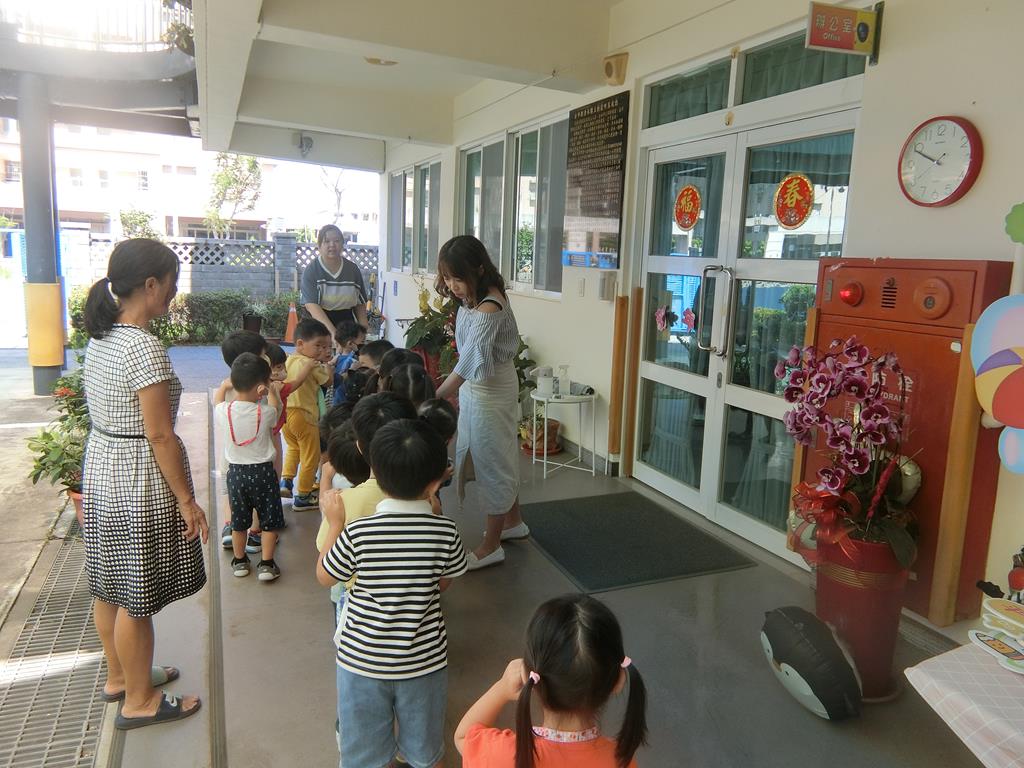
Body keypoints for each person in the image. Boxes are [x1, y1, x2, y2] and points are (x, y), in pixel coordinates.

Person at [80, 238, 207, 730]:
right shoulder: (143, 346)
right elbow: (159, 434)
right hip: (137, 476)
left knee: (110, 586)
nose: (173, 293)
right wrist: (187, 501)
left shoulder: (104, 334)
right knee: (138, 596)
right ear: (151, 284)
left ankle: (121, 677)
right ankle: (139, 701)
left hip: (103, 468)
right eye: (172, 284)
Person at [317, 418, 468, 768]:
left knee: (364, 754)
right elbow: (444, 582)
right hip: (424, 662)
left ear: (375, 473)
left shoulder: (358, 532)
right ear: (436, 482)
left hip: (361, 662)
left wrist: (336, 524)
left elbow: (325, 577)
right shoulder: (445, 531)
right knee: (426, 751)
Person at [455, 594, 648, 768]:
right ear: (618, 681)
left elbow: (463, 737)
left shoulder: (500, 754)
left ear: (528, 675)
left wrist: (502, 689)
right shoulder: (620, 761)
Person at [434, 235, 528, 570]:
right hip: (476, 388)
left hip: (491, 389)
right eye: (447, 278)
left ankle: (492, 546)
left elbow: (469, 361)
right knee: (494, 454)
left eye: (457, 278)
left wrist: (435, 396)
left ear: (479, 269)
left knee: (493, 460)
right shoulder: (473, 297)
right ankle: (513, 522)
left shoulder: (490, 306)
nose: (452, 286)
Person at [213, 353, 286, 582]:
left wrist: (224, 387)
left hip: (236, 474)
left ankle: (240, 561)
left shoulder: (224, 411)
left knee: (239, 522)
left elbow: (217, 402)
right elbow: (276, 409)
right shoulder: (265, 413)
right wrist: (271, 391)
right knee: (269, 521)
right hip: (263, 473)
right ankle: (267, 564)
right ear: (260, 388)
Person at [281, 319, 333, 509]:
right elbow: (328, 382)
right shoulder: (312, 364)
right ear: (300, 344)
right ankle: (303, 496)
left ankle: (286, 481)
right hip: (305, 415)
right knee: (311, 456)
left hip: (285, 414)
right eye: (318, 345)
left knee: (293, 448)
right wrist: (329, 367)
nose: (323, 350)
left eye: (327, 347)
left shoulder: (288, 360)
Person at [300, 224, 368, 338]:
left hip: (346, 324)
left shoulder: (352, 269)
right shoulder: (311, 270)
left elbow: (360, 304)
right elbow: (312, 305)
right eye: (327, 241)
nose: (332, 245)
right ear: (319, 246)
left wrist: (363, 331)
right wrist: (334, 334)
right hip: (316, 326)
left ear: (342, 244)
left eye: (336, 241)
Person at [332, 320, 368, 405]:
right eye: (362, 342)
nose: (365, 344)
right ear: (350, 343)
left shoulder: (338, 357)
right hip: (344, 401)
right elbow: (340, 380)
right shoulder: (350, 360)